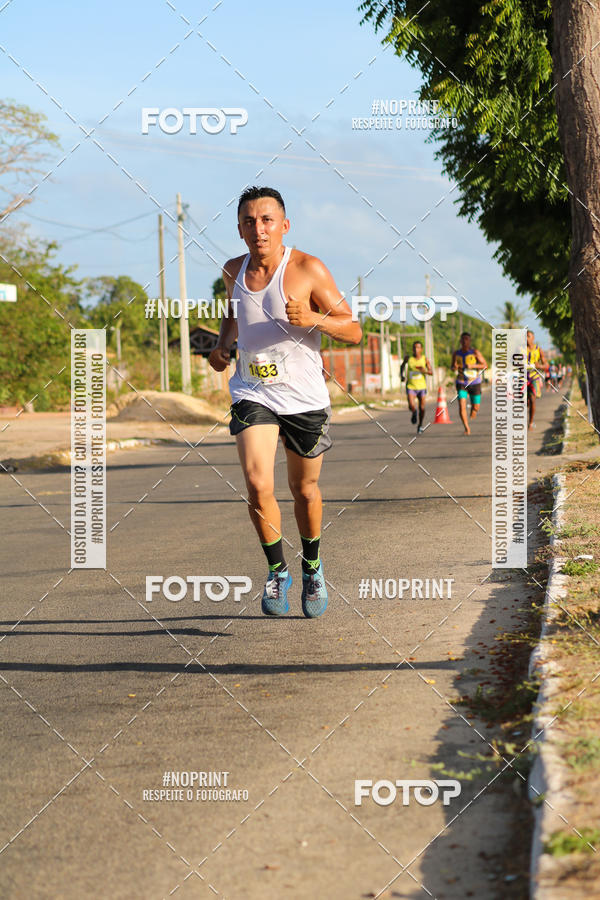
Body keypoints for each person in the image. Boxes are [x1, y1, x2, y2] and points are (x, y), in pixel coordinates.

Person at [209, 186, 362, 618]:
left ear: (284, 225)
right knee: (258, 483)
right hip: (252, 390)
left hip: (303, 396)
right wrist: (223, 346)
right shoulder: (233, 270)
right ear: (240, 230)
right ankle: (277, 571)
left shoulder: (308, 269)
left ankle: (312, 567)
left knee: (304, 490)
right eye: (249, 221)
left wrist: (314, 319)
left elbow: (353, 330)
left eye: (267, 220)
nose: (259, 228)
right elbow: (234, 313)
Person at [451, 332, 487, 435]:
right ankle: (467, 428)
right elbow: (452, 367)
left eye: (467, 339)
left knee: (476, 407)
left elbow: (485, 365)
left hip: (474, 382)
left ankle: (473, 410)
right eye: (463, 339)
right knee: (462, 405)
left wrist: (473, 366)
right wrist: (454, 367)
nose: (464, 341)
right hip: (461, 382)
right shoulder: (456, 353)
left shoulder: (475, 352)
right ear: (460, 341)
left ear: (470, 341)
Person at [400, 341, 432, 433]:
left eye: (418, 347)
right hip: (411, 386)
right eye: (414, 347)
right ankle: (414, 412)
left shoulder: (425, 359)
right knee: (411, 405)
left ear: (421, 349)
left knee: (422, 408)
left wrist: (424, 371)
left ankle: (420, 425)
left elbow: (431, 372)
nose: (416, 349)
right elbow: (402, 366)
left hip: (422, 387)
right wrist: (402, 375)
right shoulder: (408, 358)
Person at [526, 329, 547, 429]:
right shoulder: (520, 349)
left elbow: (546, 365)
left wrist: (539, 366)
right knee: (525, 402)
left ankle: (530, 422)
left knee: (532, 400)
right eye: (525, 336)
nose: (526, 338)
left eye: (528, 336)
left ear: (533, 338)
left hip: (534, 377)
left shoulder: (538, 350)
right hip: (522, 378)